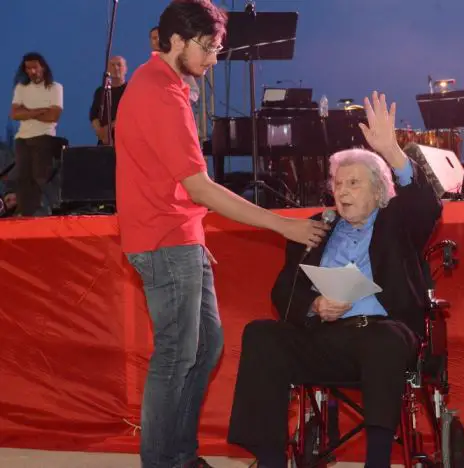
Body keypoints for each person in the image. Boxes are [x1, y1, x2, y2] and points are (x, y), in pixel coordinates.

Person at [114, 1, 329, 467]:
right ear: (175, 42)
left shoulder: (167, 85)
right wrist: (283, 224)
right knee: (175, 355)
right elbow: (199, 187)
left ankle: (181, 455)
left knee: (206, 346)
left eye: (217, 48)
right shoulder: (159, 94)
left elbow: (175, 184)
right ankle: (165, 462)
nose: (214, 59)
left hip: (179, 236)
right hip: (164, 240)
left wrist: (193, 236)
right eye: (208, 48)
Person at [227, 91, 443, 468]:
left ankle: (377, 460)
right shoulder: (315, 230)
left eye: (353, 184)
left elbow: (427, 206)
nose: (341, 191)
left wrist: (393, 152)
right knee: (261, 334)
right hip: (325, 337)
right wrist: (313, 305)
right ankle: (269, 459)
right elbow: (283, 292)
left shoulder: (396, 225)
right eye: (338, 184)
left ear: (379, 191)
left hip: (381, 333)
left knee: (384, 339)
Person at [9, 52, 63, 216]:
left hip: (44, 137)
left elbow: (53, 116)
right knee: (23, 179)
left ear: (43, 67)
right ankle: (26, 214)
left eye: (35, 67)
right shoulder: (21, 88)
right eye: (28, 68)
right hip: (22, 139)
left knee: (41, 177)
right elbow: (15, 114)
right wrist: (40, 111)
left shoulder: (55, 87)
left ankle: (50, 211)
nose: (32, 71)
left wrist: (27, 112)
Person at [89, 56, 128, 145]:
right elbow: (94, 115)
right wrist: (100, 132)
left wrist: (107, 130)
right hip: (104, 143)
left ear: (126, 69)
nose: (115, 68)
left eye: (119, 65)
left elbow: (129, 116)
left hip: (124, 141)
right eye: (112, 65)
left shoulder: (131, 90)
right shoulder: (100, 91)